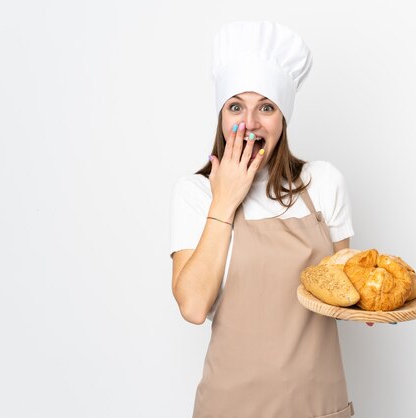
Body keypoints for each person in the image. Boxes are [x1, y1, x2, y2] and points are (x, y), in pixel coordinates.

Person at [170, 21, 356, 418]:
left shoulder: (323, 182)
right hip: (230, 406)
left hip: (319, 406)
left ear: (283, 119)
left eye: (266, 107)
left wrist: (374, 307)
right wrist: (225, 201)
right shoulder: (196, 193)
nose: (250, 122)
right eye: (236, 106)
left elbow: (348, 289)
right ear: (221, 117)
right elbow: (193, 306)